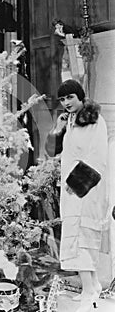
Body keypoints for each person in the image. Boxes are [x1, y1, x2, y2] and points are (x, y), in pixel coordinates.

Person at [45, 79, 109, 312]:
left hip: (87, 189)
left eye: (70, 97)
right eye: (62, 99)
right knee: (74, 235)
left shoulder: (95, 121)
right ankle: (91, 285)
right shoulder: (69, 121)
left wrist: (78, 183)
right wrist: (57, 129)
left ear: (80, 97)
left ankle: (90, 291)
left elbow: (97, 156)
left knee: (83, 237)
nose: (66, 103)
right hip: (72, 191)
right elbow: (53, 152)